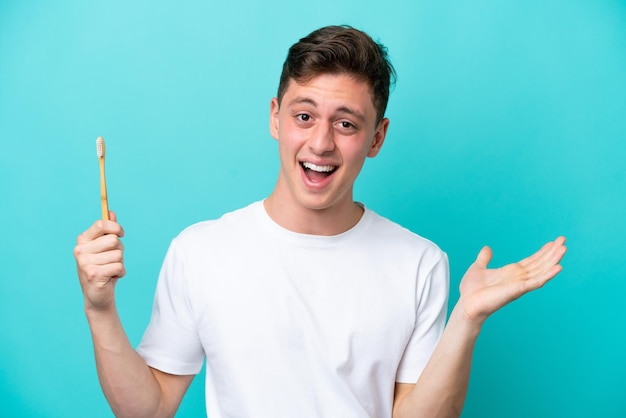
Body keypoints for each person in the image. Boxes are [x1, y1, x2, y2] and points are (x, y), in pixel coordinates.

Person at [74, 25, 567, 418]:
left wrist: (466, 321)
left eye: (346, 123)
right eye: (304, 116)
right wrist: (99, 309)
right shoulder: (200, 251)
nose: (321, 143)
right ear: (275, 118)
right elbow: (148, 409)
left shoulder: (420, 262)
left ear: (376, 139)